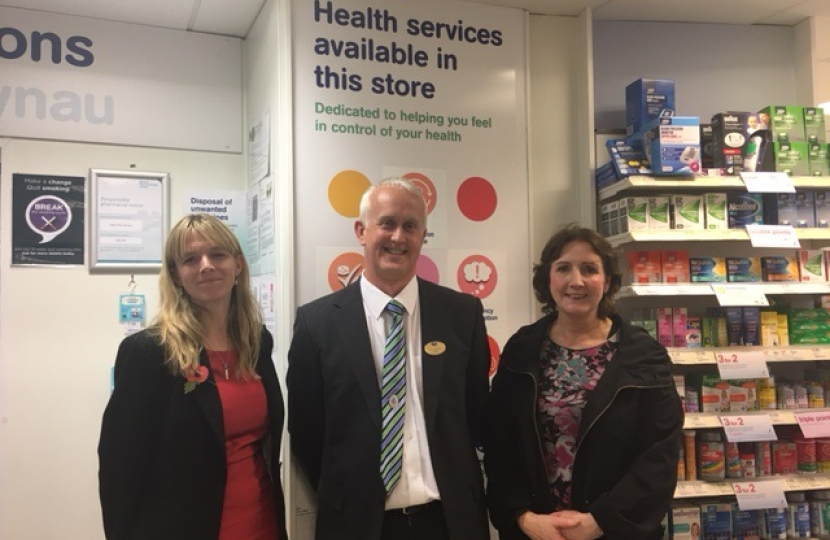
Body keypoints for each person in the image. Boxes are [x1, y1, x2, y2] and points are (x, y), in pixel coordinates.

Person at [287, 177, 490, 540]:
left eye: (410, 226)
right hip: (357, 524)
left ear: (422, 236)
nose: (398, 237)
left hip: (449, 522)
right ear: (362, 231)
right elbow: (306, 431)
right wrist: (348, 495)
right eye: (387, 223)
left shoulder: (462, 314)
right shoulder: (316, 324)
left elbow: (476, 414)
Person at [485, 223, 683, 540]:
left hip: (614, 532)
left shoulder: (644, 356)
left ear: (607, 281)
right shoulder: (522, 350)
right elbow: (500, 445)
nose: (576, 281)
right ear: (547, 278)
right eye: (563, 268)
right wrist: (523, 517)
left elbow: (659, 454)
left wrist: (601, 519)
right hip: (537, 532)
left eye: (589, 269)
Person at [98, 214, 287, 540]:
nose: (206, 265)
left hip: (263, 524)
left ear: (237, 264)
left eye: (218, 254)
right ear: (175, 274)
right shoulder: (149, 352)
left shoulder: (257, 341)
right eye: (190, 259)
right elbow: (120, 468)